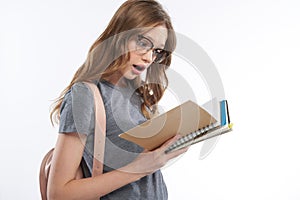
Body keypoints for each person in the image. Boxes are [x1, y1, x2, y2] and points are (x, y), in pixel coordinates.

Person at [47, 0, 188, 199]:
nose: (149, 57)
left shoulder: (139, 97)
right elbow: (59, 193)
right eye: (143, 43)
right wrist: (138, 168)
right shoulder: (85, 95)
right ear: (119, 37)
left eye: (156, 51)